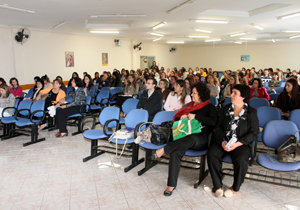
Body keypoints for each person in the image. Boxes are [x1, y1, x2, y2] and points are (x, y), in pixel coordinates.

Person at [151, 82, 218, 196]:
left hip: (202, 138)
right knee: (176, 150)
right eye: (192, 92)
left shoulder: (209, 107)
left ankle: (163, 150)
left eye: (194, 93)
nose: (192, 95)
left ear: (201, 94)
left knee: (189, 140)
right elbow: (176, 116)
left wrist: (196, 116)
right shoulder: (190, 105)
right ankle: (171, 184)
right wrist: (183, 116)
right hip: (185, 136)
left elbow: (214, 122)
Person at [207, 84, 259, 198]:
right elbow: (218, 127)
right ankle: (217, 185)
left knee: (241, 159)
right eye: (232, 92)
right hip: (224, 141)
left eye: (235, 93)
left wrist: (238, 144)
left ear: (243, 97)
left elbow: (254, 132)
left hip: (240, 143)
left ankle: (235, 187)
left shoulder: (251, 112)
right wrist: (222, 141)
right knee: (212, 154)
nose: (231, 95)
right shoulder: (226, 109)